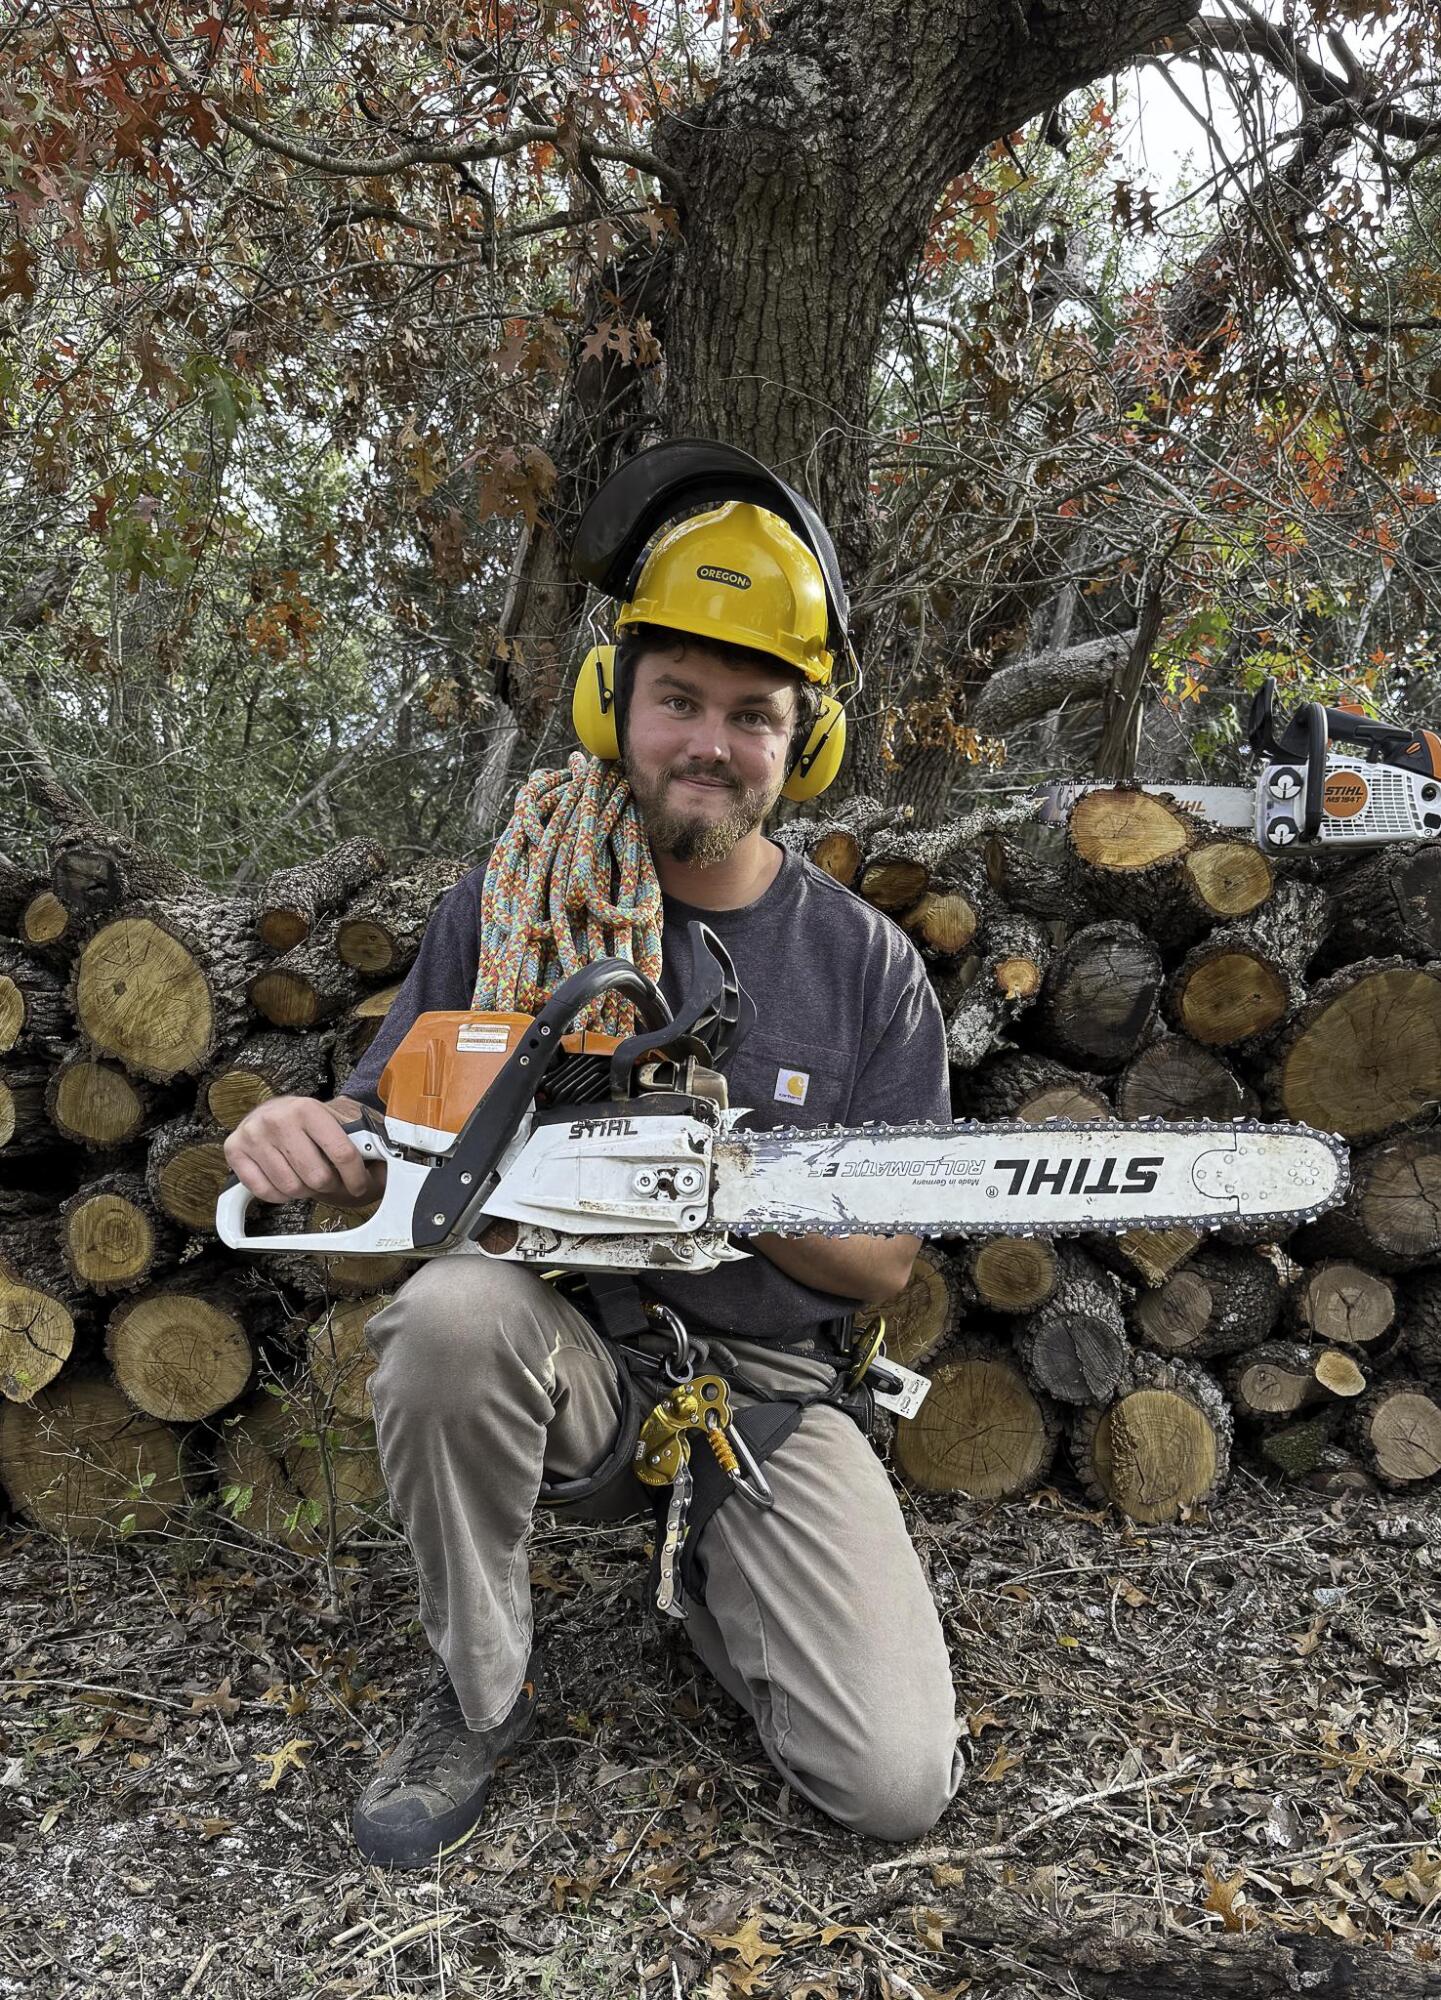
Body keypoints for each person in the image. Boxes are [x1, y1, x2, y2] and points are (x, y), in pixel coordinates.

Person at [224, 487, 967, 1867]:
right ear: (608, 703)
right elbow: (396, 1144)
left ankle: (723, 1584)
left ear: (801, 747)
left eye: (752, 714)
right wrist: (307, 1138)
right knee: (452, 1316)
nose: (710, 742)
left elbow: (881, 1264)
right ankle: (476, 1690)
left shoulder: (865, 964)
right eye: (677, 697)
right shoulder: (511, 895)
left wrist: (703, 1171)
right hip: (563, 1353)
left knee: (889, 1784)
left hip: (771, 1397)